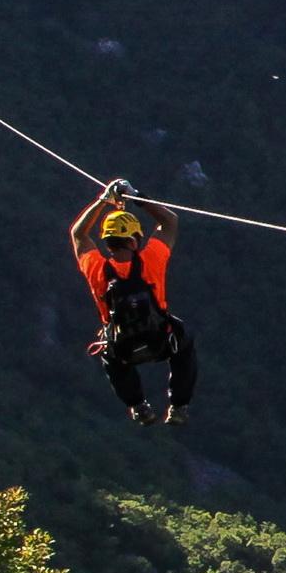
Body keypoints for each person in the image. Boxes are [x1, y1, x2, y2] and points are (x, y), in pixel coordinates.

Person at [70, 180, 195, 425]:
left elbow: (78, 234)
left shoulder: (96, 268)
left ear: (107, 241)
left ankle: (138, 406)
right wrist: (135, 195)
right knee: (184, 341)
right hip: (160, 341)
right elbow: (170, 221)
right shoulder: (151, 259)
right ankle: (179, 407)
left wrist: (103, 201)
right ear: (134, 240)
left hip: (123, 349)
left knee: (108, 354)